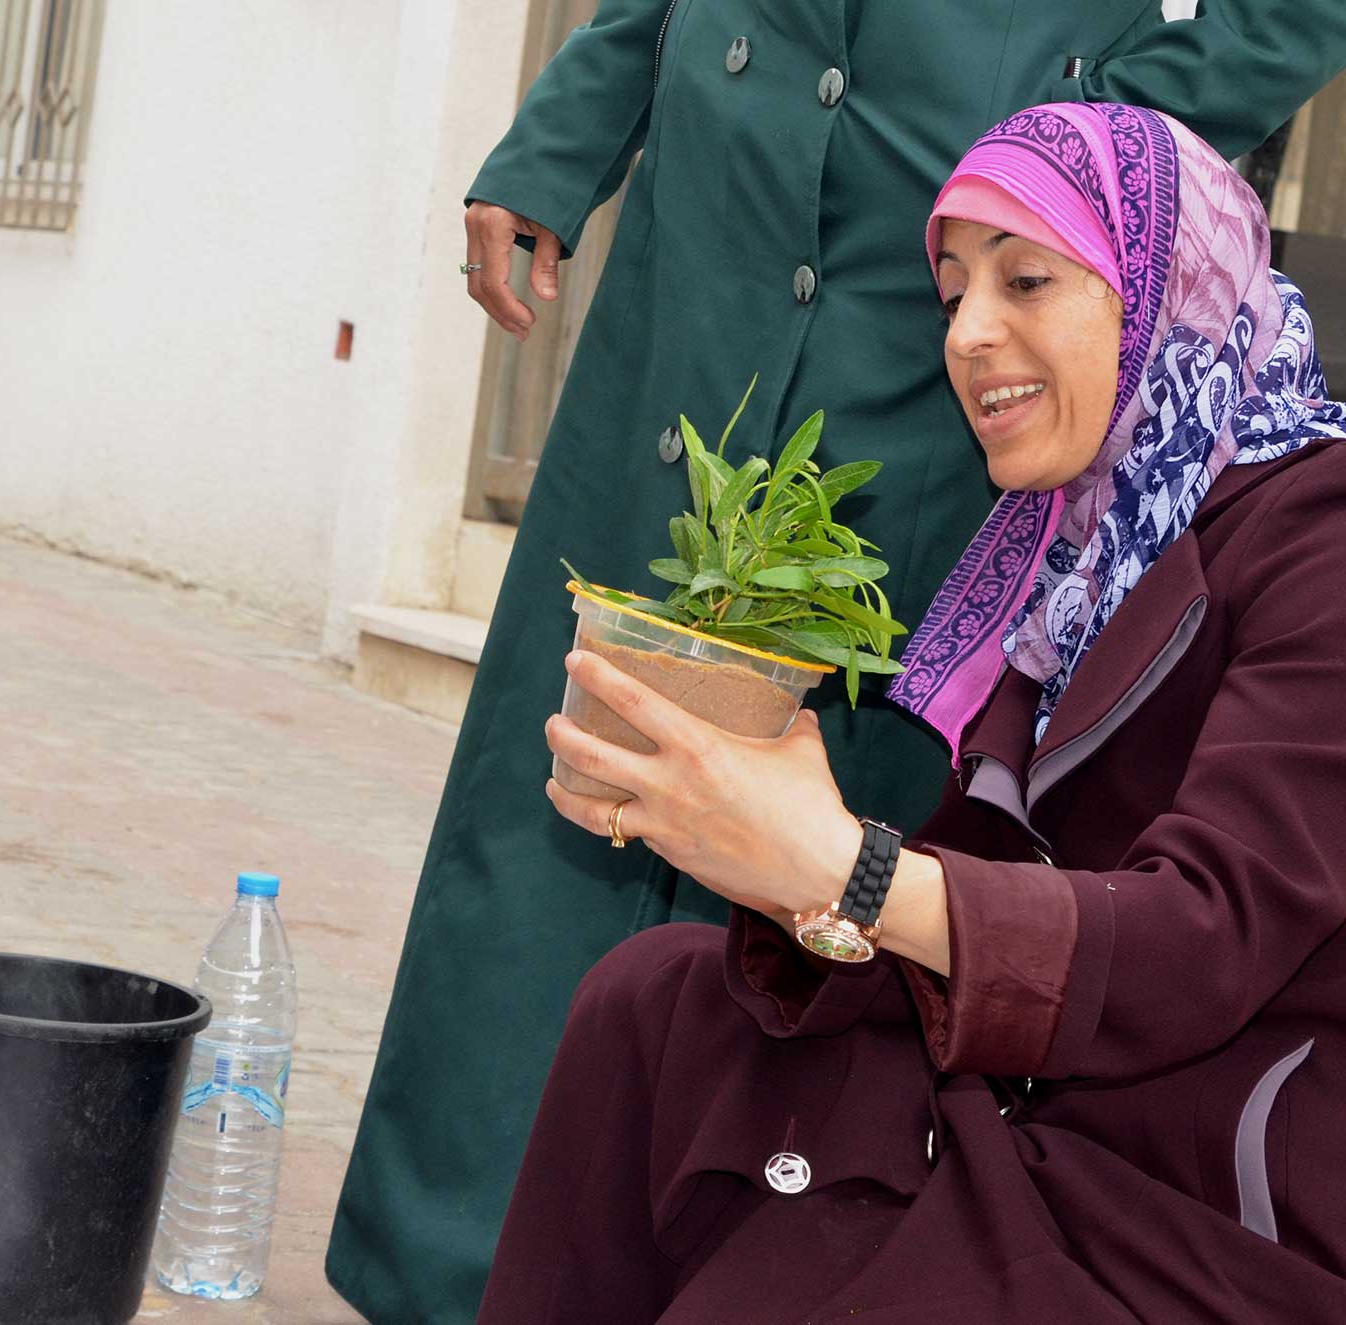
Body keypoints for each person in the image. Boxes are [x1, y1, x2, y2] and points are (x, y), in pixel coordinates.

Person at [329, 4, 1346, 1319]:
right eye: (962, 294)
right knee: (595, 893)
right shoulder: (1069, 545)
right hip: (727, 231)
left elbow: (1197, 930)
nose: (976, 331)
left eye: (1025, 280)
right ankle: (446, 1271)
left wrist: (1090, 103)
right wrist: (574, 122)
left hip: (1166, 1182)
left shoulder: (1296, 532)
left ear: (1158, 265)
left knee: (857, 785)